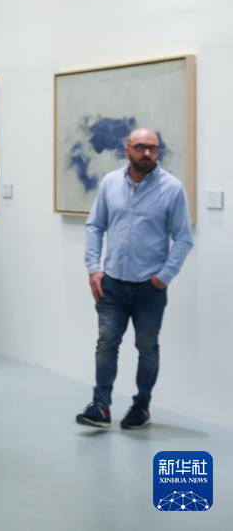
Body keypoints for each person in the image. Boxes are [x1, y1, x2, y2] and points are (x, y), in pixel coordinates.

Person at [76, 128, 193, 430]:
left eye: (153, 148)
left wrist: (164, 277)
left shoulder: (172, 189)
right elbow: (94, 225)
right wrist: (93, 268)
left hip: (149, 288)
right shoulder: (110, 183)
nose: (147, 153)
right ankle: (100, 407)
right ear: (126, 149)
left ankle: (141, 406)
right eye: (140, 147)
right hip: (112, 283)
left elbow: (183, 238)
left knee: (147, 348)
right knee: (106, 344)